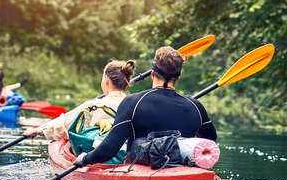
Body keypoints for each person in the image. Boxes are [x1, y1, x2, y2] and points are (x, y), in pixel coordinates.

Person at [72, 46, 217, 168]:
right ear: (178, 78)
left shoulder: (132, 102)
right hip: (182, 171)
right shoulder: (196, 106)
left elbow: (109, 150)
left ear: (152, 74)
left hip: (139, 172)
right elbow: (210, 140)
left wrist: (86, 159)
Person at [23, 60, 137, 140]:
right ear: (126, 85)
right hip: (126, 157)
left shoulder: (94, 105)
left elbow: (65, 126)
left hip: (98, 155)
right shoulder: (136, 105)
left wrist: (38, 131)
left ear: (106, 80)